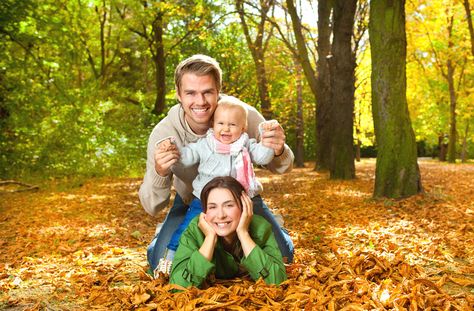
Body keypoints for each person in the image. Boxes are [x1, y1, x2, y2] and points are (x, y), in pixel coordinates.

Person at [138, 54, 295, 276]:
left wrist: (278, 149)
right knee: (162, 264)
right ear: (178, 94)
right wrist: (160, 171)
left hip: (243, 199)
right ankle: (168, 233)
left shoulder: (241, 115)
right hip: (192, 201)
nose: (200, 102)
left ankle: (270, 228)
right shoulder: (165, 133)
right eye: (191, 93)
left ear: (218, 91)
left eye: (207, 92)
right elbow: (151, 206)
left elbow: (282, 167)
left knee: (284, 258)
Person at [157, 97, 276, 273]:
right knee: (187, 227)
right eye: (221, 123)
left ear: (243, 128)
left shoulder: (245, 145)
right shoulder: (206, 144)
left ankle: (248, 260)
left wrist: (266, 143)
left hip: (237, 201)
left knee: (252, 228)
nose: (226, 128)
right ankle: (170, 259)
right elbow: (187, 156)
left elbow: (263, 157)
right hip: (204, 201)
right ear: (213, 125)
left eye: (232, 125)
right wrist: (172, 149)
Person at [169, 176, 287, 288]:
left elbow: (277, 281)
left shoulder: (260, 227)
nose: (220, 215)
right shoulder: (195, 230)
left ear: (244, 206)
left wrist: (243, 233)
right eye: (212, 207)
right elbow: (178, 286)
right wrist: (210, 238)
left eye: (229, 205)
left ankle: (281, 227)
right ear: (205, 211)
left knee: (287, 251)